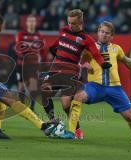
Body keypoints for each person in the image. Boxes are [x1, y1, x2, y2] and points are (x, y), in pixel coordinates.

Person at [0, 13, 63, 139]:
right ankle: (44, 127)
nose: (1, 29)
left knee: (2, 95)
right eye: (1, 27)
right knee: (10, 98)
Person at [68, 21, 131, 142]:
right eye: (102, 32)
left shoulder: (116, 49)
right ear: (98, 32)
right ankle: (71, 132)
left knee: (130, 117)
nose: (104, 35)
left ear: (112, 36)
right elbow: (79, 61)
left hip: (115, 88)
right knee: (78, 96)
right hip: (95, 86)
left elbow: (127, 61)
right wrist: (84, 64)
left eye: (107, 33)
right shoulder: (89, 48)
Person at [40, 9, 111, 139]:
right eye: (69, 22)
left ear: (80, 22)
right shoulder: (63, 31)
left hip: (70, 73)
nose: (70, 26)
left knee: (66, 104)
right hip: (55, 70)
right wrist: (52, 49)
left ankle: (77, 129)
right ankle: (52, 120)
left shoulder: (86, 39)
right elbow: (57, 44)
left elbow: (95, 53)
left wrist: (102, 63)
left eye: (73, 23)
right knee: (44, 90)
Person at [15, 15, 47, 111]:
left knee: (33, 86)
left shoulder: (39, 36)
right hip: (22, 64)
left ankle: (31, 108)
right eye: (30, 21)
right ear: (26, 23)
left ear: (36, 23)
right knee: (21, 87)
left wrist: (43, 64)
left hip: (34, 65)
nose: (31, 23)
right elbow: (17, 48)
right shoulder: (21, 34)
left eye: (33, 21)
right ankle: (21, 106)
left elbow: (43, 51)